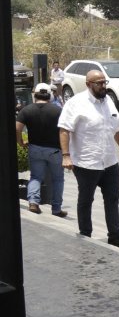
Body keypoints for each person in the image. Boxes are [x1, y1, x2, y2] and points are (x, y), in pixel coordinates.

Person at [57, 69, 119, 247]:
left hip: (109, 161)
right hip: (86, 163)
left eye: (104, 82)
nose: (103, 86)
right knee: (86, 200)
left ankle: (115, 236)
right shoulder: (76, 103)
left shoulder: (108, 102)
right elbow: (64, 129)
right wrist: (66, 156)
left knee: (112, 199)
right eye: (99, 83)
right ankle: (85, 235)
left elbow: (116, 127)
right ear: (88, 84)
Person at [16, 83, 66, 217]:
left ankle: (33, 202)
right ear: (49, 95)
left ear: (35, 94)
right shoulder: (57, 110)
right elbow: (65, 130)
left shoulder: (26, 110)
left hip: (35, 148)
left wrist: (20, 142)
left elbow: (17, 128)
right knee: (58, 179)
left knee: (36, 176)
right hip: (55, 150)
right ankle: (56, 208)